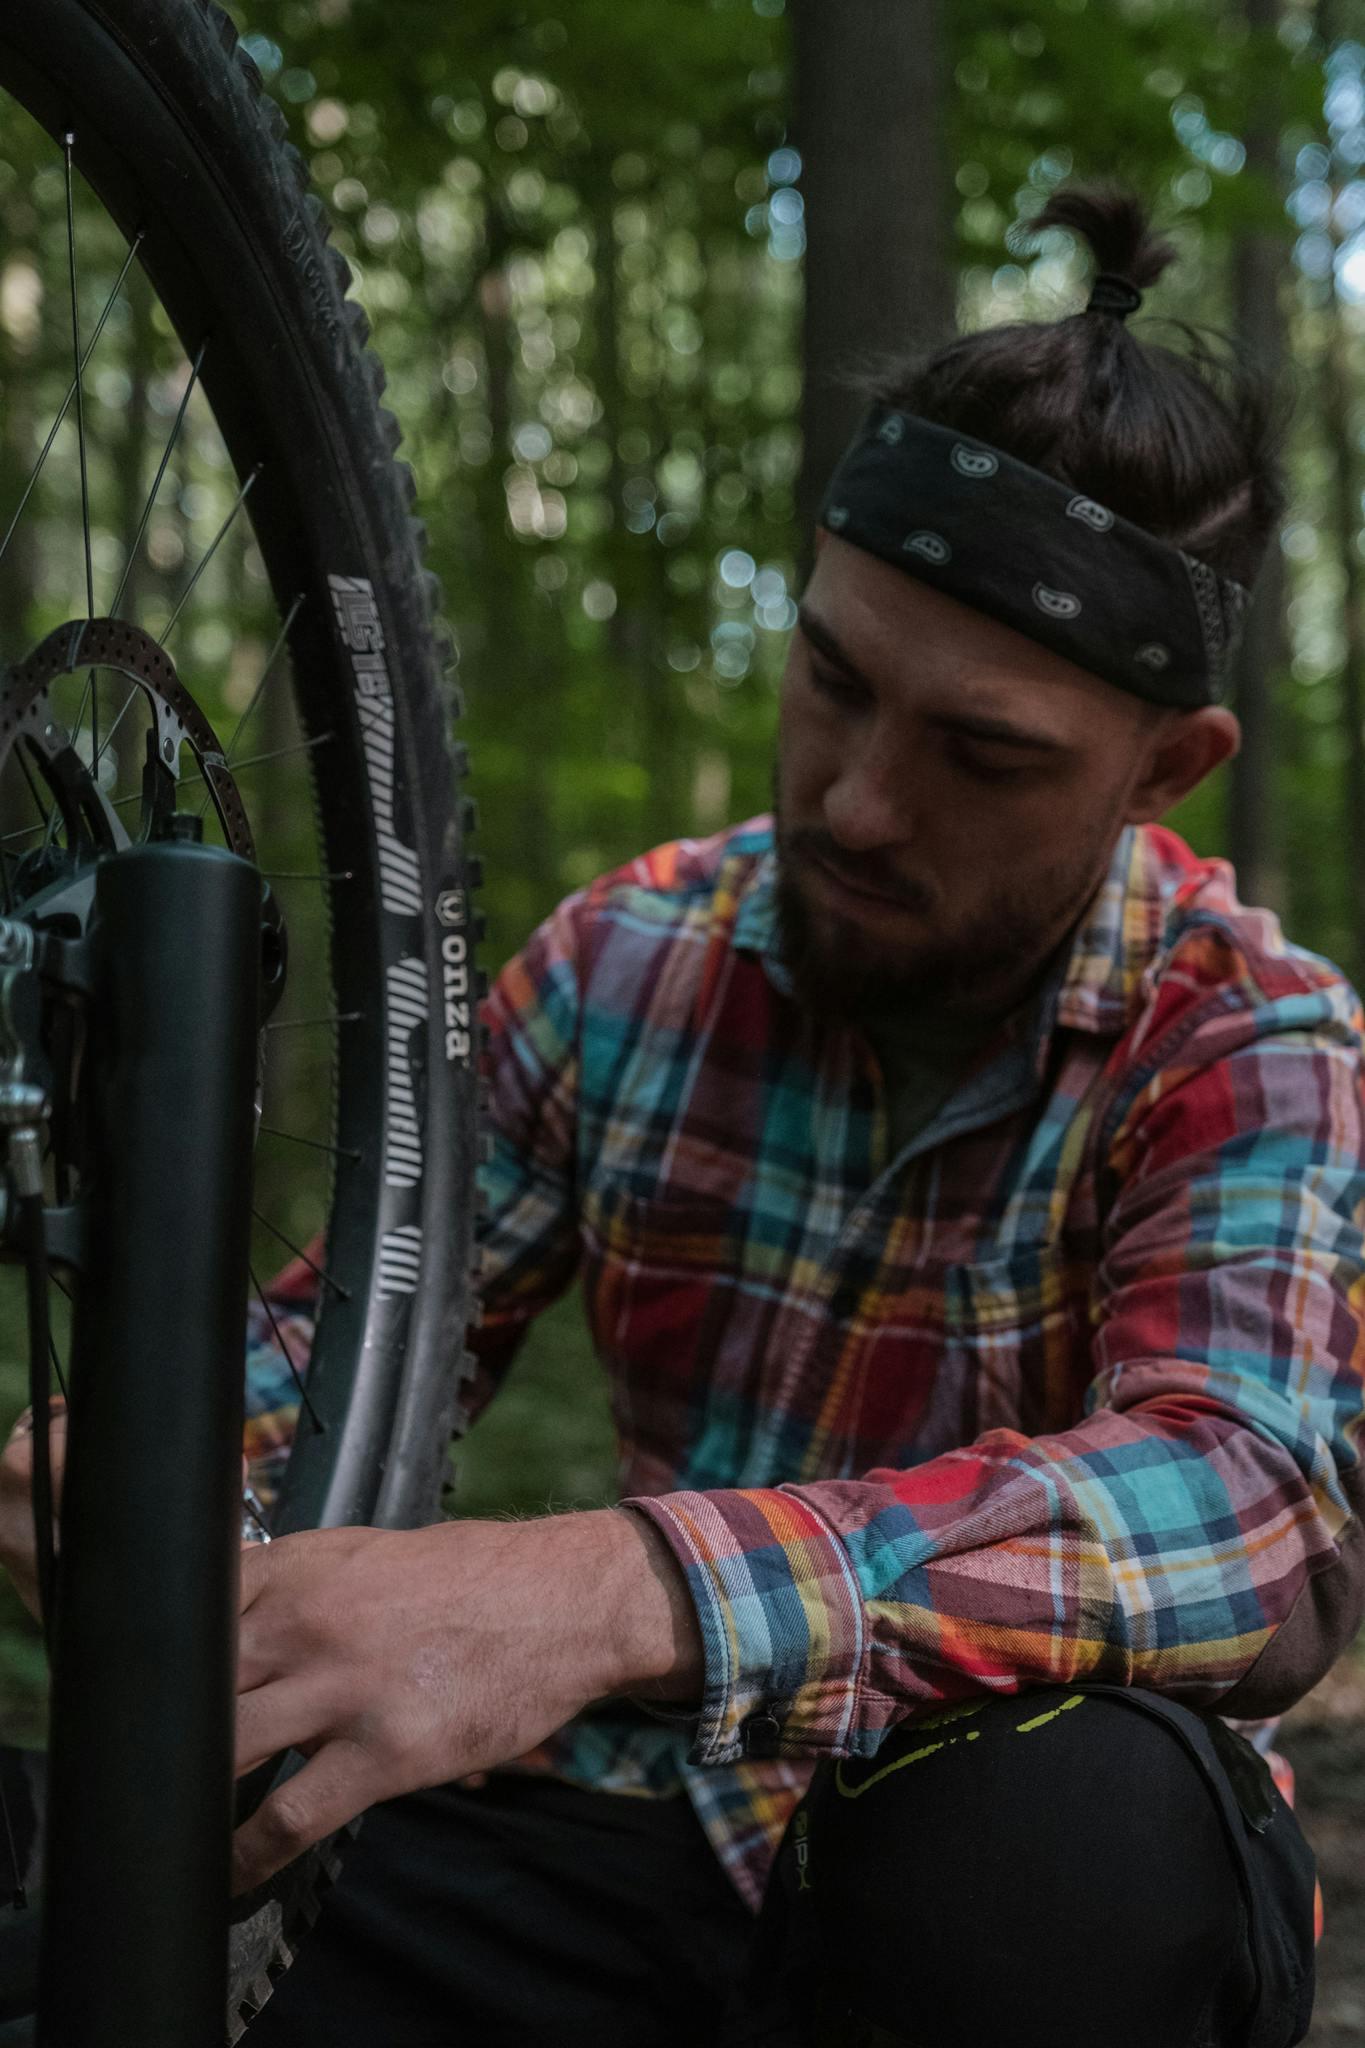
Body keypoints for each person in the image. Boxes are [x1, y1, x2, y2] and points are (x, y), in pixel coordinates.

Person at [4, 183, 1360, 2047]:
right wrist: (133, 1459)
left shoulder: (1245, 1035)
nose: (858, 804)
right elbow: (346, 1353)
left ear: (1163, 767)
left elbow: (1254, 1510)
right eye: (831, 681)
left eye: (981, 754)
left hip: (958, 1879)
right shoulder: (626, 957)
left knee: (1079, 1834)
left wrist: (615, 1584)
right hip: (605, 1850)